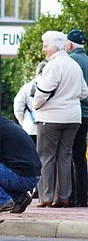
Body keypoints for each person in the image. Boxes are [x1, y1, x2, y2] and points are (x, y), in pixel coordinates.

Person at [33, 31, 88, 208]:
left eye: (45, 46)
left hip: (51, 117)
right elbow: (84, 92)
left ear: (54, 47)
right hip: (73, 117)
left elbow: (43, 92)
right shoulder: (74, 65)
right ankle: (64, 197)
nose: (43, 49)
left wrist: (36, 105)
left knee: (45, 156)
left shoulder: (53, 66)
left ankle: (46, 197)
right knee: (65, 156)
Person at [0, 99, 41, 213]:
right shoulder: (6, 123)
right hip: (33, 175)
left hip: (21, 176)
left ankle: (2, 201)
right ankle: (19, 198)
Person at [65, 29, 88, 207]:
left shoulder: (70, 60)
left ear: (70, 45)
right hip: (87, 114)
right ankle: (83, 196)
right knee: (80, 156)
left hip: (75, 112)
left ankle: (70, 196)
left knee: (67, 154)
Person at [13, 61, 47, 145]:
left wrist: (23, 121)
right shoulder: (54, 86)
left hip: (30, 127)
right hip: (48, 129)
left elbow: (18, 107)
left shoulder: (27, 87)